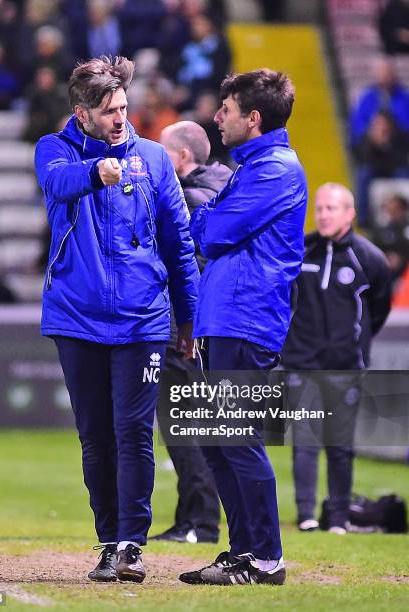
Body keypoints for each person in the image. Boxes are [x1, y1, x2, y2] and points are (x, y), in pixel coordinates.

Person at [34, 56, 198, 584]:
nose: (119, 119)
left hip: (143, 320)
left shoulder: (152, 158)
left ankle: (131, 546)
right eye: (108, 112)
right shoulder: (54, 150)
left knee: (133, 433)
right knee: (95, 438)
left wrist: (188, 316)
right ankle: (108, 541)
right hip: (76, 317)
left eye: (123, 108)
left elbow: (178, 243)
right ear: (82, 114)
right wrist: (94, 171)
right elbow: (58, 184)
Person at [179, 69, 307, 586]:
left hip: (246, 317)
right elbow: (212, 227)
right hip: (223, 316)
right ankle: (242, 550)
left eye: (226, 110)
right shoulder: (251, 167)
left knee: (236, 437)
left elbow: (213, 232)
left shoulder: (275, 168)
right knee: (214, 439)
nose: (217, 118)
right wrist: (211, 218)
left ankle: (267, 557)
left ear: (253, 119)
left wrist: (208, 217)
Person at [281, 183, 391, 533]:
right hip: (301, 364)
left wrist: (354, 344)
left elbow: (378, 309)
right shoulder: (301, 250)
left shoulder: (369, 258)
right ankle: (306, 516)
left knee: (341, 445)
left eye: (331, 208)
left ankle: (340, 518)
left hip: (345, 367)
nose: (324, 214)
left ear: (350, 214)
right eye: (320, 208)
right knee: (305, 442)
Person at [150, 120, 231, 544]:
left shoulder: (188, 199)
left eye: (163, 153)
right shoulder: (226, 188)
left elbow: (187, 267)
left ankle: (200, 523)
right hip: (208, 329)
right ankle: (190, 519)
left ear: (181, 158)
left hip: (186, 330)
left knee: (186, 428)